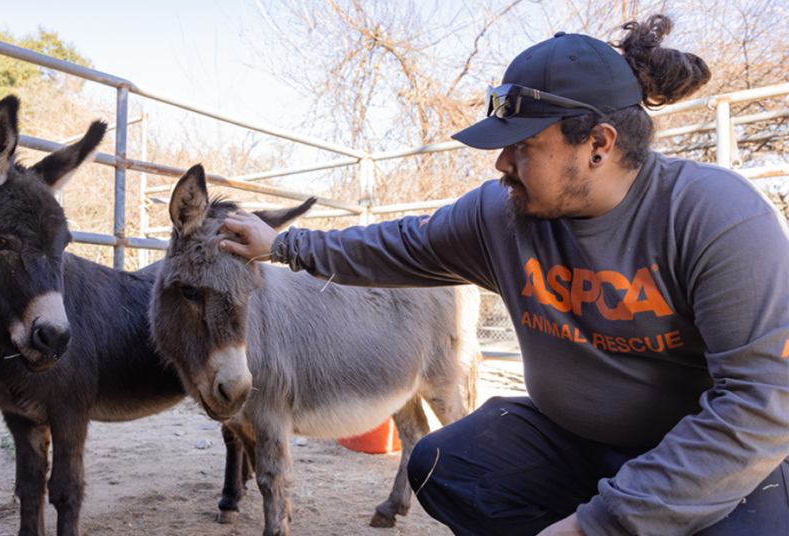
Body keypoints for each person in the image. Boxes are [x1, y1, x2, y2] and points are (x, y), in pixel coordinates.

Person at [217, 14, 789, 536]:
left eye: (522, 146)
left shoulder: (718, 219)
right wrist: (283, 244)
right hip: (570, 441)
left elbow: (761, 404)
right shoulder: (502, 215)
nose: (501, 164)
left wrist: (598, 526)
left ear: (598, 144)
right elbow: (399, 244)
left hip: (697, 455)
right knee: (442, 464)